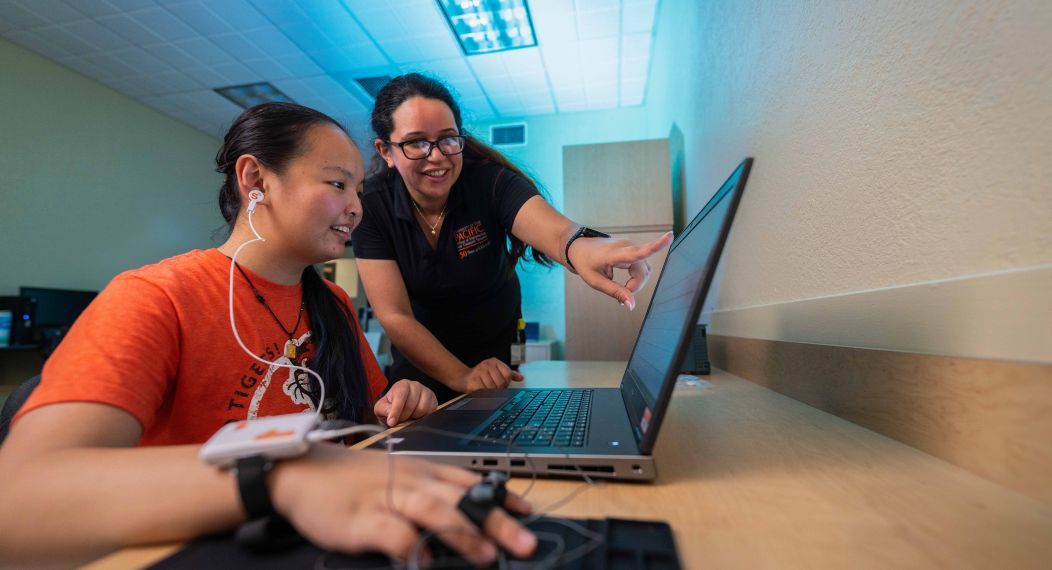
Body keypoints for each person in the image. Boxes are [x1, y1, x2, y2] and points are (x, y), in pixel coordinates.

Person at [0, 103, 536, 567]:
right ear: (255, 180)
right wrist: (278, 479)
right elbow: (18, 502)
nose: (356, 205)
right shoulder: (156, 296)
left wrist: (401, 399)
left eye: (357, 187)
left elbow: (367, 419)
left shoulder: (330, 305)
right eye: (336, 184)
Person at [353, 73, 673, 402]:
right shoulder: (373, 206)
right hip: (421, 361)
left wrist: (580, 246)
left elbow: (555, 230)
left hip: (494, 358)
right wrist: (460, 376)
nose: (436, 156)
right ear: (386, 150)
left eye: (448, 138)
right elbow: (395, 315)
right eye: (416, 142)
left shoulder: (489, 181)